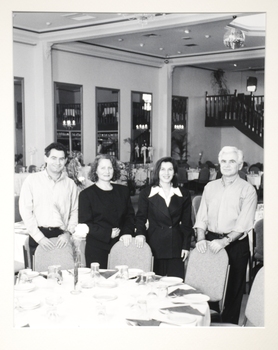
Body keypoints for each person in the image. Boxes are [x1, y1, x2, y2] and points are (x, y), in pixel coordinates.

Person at [194, 146, 257, 324]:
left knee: (232, 292)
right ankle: (208, 326)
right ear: (219, 163)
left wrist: (225, 241)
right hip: (211, 241)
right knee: (208, 288)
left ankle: (228, 331)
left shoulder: (248, 190)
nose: (227, 165)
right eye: (223, 161)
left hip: (235, 244)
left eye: (232, 161)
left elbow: (243, 224)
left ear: (240, 165)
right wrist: (200, 238)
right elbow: (202, 217)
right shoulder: (210, 187)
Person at [135, 156, 193, 279]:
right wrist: (140, 234)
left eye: (170, 169)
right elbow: (140, 218)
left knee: (176, 286)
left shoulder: (184, 193)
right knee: (154, 286)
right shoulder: (147, 193)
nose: (166, 173)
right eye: (162, 169)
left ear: (175, 172)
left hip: (176, 246)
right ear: (157, 172)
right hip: (154, 244)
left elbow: (187, 223)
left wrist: (186, 246)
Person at [19, 142, 78, 258]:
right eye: (53, 158)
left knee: (65, 272)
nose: (58, 162)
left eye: (61, 159)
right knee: (39, 274)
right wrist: (39, 238)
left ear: (66, 160)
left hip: (63, 237)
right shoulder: (32, 180)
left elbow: (75, 211)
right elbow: (25, 211)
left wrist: (68, 233)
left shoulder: (70, 184)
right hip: (39, 235)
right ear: (45, 158)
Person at [77, 154, 135, 268]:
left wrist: (127, 232)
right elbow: (85, 224)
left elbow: (130, 216)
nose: (107, 171)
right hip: (97, 247)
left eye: (110, 167)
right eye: (102, 168)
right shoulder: (86, 194)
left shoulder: (123, 191)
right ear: (95, 171)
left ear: (114, 170)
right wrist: (108, 233)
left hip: (121, 245)